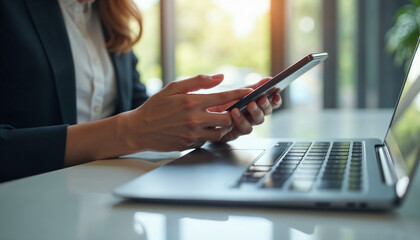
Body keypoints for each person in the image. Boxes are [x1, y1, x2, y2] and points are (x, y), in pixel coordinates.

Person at [0, 0, 282, 182]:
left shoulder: (110, 14)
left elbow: (137, 107)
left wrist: (205, 123)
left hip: (109, 197)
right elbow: (135, 123)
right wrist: (130, 131)